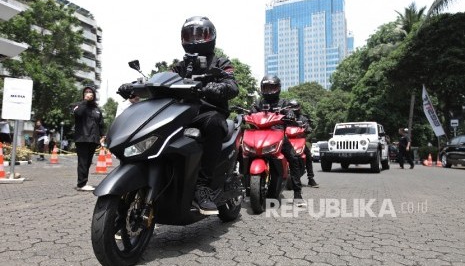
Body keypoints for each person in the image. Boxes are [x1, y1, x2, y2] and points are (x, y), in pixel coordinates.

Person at [118, 16, 238, 214]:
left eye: (200, 35)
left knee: (213, 123)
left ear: (211, 37)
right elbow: (159, 81)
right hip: (182, 113)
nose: (195, 39)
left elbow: (232, 84)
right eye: (189, 35)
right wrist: (132, 87)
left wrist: (219, 86)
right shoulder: (180, 66)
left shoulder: (220, 62)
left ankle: (204, 187)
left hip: (208, 112)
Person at [251, 75, 306, 207]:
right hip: (259, 136)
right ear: (262, 89)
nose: (269, 90)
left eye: (272, 87)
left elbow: (288, 111)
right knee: (242, 151)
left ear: (278, 88)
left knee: (293, 158)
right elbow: (251, 111)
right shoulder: (258, 103)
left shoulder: (284, 103)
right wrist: (244, 115)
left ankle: (297, 194)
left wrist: (290, 114)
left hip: (278, 135)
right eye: (266, 87)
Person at [73, 86, 105, 191]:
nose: (88, 93)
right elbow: (77, 114)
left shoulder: (97, 110)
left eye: (90, 92)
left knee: (88, 162)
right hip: (82, 138)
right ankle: (81, 184)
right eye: (86, 92)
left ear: (94, 95)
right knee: (83, 161)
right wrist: (85, 101)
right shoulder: (79, 105)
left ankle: (84, 182)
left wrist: (102, 136)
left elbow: (100, 124)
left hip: (93, 139)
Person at [289, 99, 319, 188]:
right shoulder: (285, 117)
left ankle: (311, 178)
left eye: (295, 108)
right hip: (288, 141)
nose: (294, 111)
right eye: (292, 109)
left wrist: (308, 128)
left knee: (308, 155)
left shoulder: (303, 118)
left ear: (299, 108)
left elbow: (308, 125)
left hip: (299, 141)